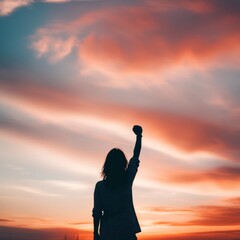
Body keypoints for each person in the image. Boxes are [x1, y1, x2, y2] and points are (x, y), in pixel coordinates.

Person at [92, 125, 143, 240]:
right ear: (123, 164)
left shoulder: (100, 186)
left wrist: (95, 234)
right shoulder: (127, 179)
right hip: (127, 231)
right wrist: (139, 136)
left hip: (108, 233)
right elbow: (136, 155)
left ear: (107, 165)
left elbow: (97, 213)